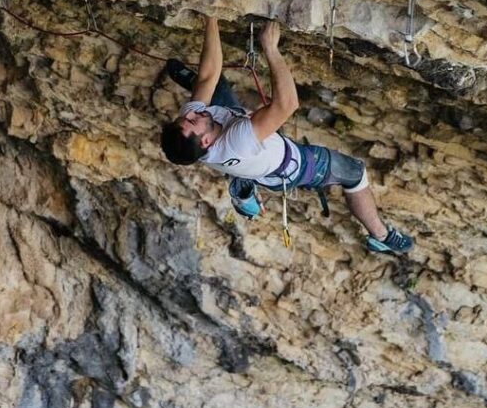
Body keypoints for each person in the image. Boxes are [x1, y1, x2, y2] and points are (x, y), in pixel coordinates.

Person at [160, 16, 414, 254]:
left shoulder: (192, 126)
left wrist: (211, 16)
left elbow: (207, 76)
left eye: (188, 116)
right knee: (355, 173)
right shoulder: (236, 140)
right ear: (205, 140)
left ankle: (242, 180)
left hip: (248, 141)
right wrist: (270, 49)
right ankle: (381, 237)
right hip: (293, 166)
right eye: (193, 120)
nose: (193, 113)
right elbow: (288, 104)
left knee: (215, 87)